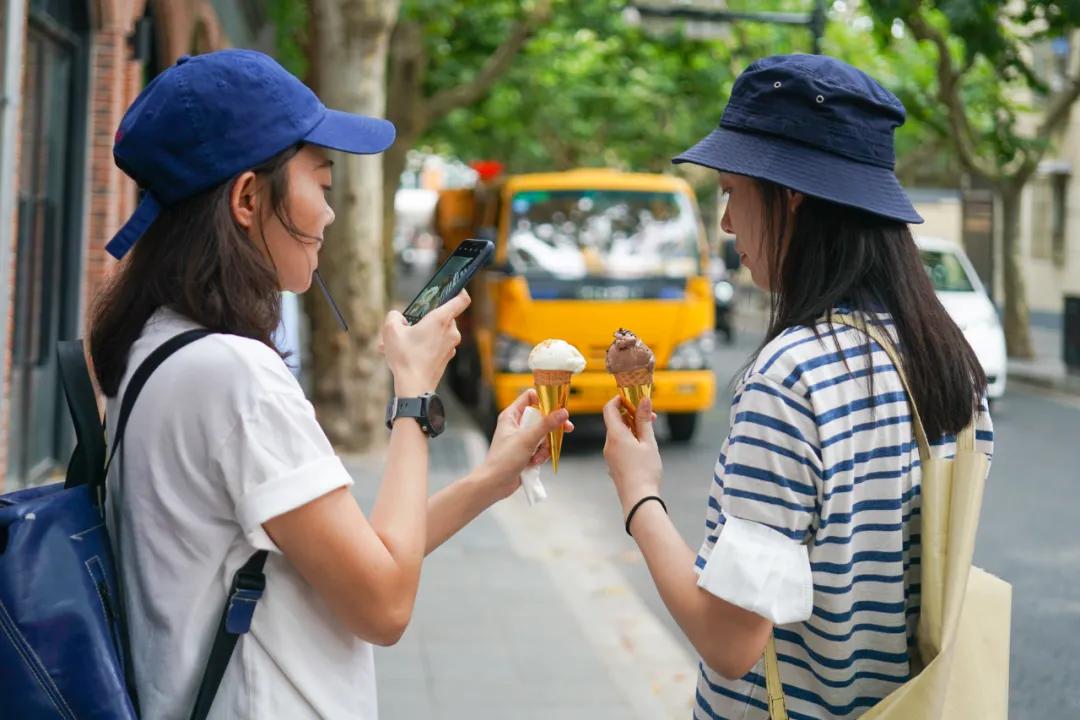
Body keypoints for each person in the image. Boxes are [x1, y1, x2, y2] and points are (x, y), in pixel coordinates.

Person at [90, 49, 570, 720]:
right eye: (322, 184)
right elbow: (384, 603)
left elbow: (356, 557)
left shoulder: (162, 345)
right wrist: (413, 395)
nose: (331, 214)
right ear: (248, 199)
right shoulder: (234, 377)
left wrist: (490, 479)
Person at [601, 54, 993, 719]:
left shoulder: (793, 376)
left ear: (791, 196)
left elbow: (730, 641)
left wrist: (639, 493)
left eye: (732, 190)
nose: (727, 223)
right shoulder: (948, 360)